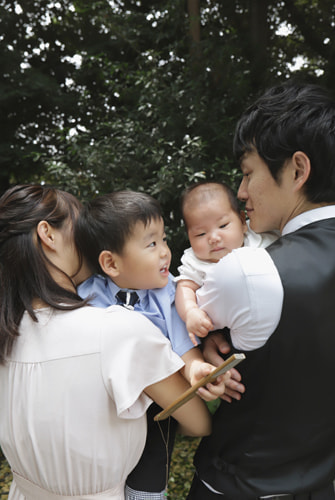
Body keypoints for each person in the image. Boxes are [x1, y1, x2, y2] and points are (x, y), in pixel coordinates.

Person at [0, 184, 212, 500]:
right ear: (48, 234)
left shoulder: (8, 336)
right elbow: (198, 423)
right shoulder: (120, 330)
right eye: (79, 222)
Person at [186, 80, 335, 499]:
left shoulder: (249, 271)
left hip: (238, 485)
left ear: (297, 170)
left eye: (248, 173)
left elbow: (192, 327)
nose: (241, 192)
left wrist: (208, 343)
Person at [75, 190, 242, 500]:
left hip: (154, 415)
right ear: (111, 263)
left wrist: (199, 371)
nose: (165, 251)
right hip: (102, 416)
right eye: (152, 243)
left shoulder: (170, 296)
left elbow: (186, 354)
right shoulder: (86, 296)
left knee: (147, 482)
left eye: (164, 239)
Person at [175, 181, 278, 345]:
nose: (213, 238)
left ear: (243, 222)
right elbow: (185, 287)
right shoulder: (195, 261)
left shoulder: (259, 236)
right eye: (200, 234)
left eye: (223, 225)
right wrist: (190, 312)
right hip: (235, 334)